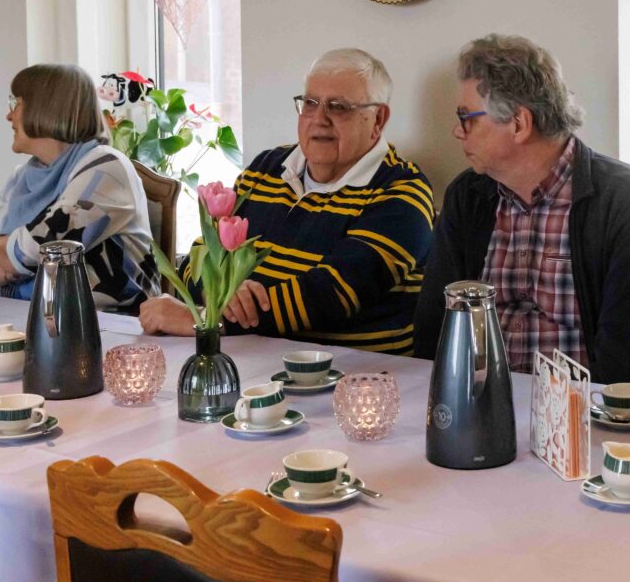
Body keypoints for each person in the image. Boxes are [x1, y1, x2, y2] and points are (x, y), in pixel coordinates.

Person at [413, 34, 630, 381]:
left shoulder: (628, 202)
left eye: (467, 118)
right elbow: (436, 327)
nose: (457, 132)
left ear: (519, 124)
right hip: (479, 400)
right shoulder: (468, 196)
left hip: (583, 407)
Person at [139, 49, 434, 355]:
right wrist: (227, 296)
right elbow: (203, 254)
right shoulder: (266, 168)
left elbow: (333, 294)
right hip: (253, 361)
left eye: (338, 107)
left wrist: (207, 320)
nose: (319, 119)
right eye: (310, 103)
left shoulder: (403, 192)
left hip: (359, 374)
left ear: (378, 119)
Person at [0, 64, 159, 313]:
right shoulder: (22, 177)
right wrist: (13, 267)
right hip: (19, 318)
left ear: (46, 108)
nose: (9, 115)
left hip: (106, 326)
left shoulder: (107, 167)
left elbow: (41, 248)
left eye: (16, 103)